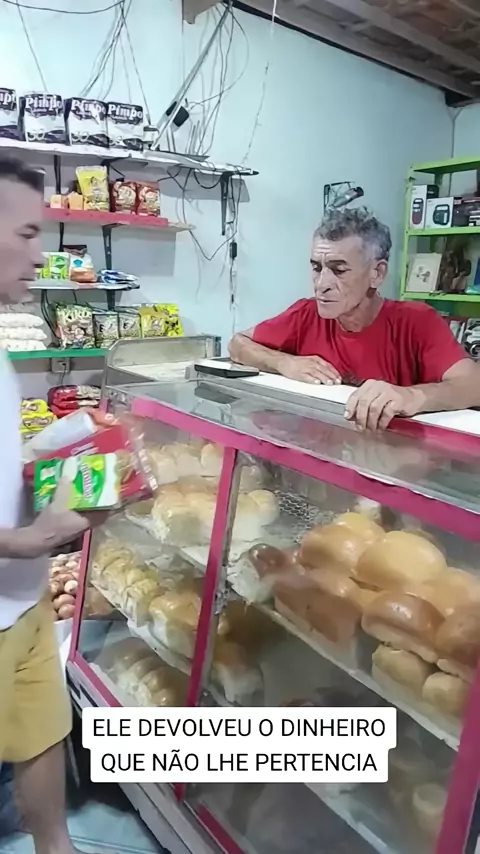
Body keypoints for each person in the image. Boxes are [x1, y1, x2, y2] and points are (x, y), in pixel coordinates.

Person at [0, 155, 103, 854]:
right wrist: (33, 540)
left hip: (23, 601)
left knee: (42, 734)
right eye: (27, 233)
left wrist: (56, 451)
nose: (40, 255)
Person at [229, 206, 480, 431]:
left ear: (377, 273)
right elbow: (237, 345)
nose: (322, 284)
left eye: (339, 270)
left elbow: (474, 385)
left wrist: (411, 396)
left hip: (392, 457)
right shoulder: (305, 314)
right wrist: (284, 362)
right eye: (316, 268)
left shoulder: (416, 321)